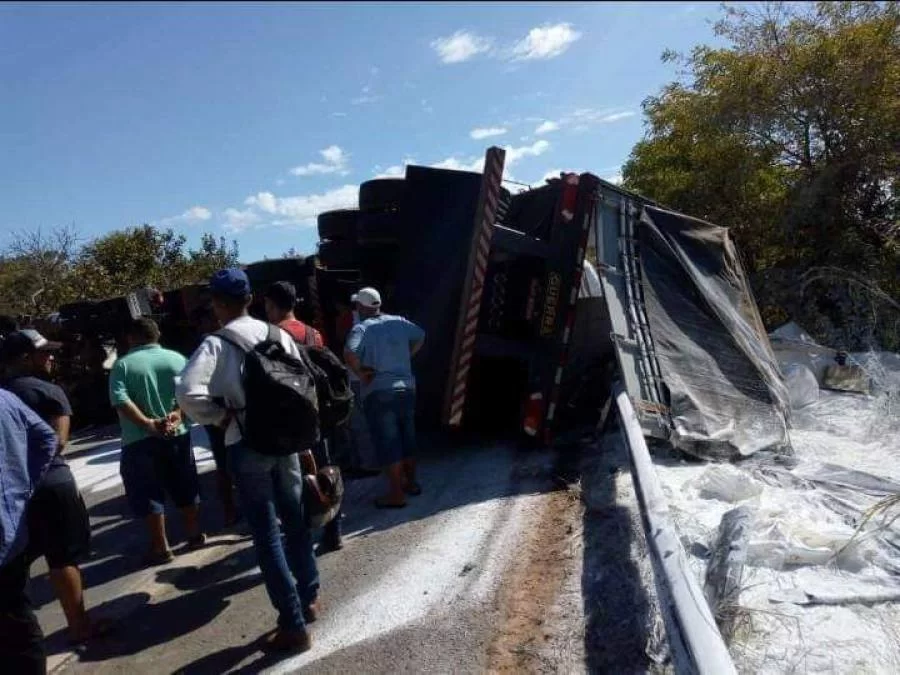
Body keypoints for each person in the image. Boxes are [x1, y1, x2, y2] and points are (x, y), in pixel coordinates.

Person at [177, 269, 320, 653]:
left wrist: (220, 417)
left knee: (266, 532)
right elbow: (304, 384)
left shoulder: (217, 343)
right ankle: (309, 598)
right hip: (286, 443)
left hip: (247, 441)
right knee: (295, 520)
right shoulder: (277, 335)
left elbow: (187, 392)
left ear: (219, 304)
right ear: (250, 299)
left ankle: (292, 624)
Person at [0, 330, 110, 645]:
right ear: (23, 358)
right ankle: (79, 626)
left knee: (17, 559)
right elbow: (57, 441)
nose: (51, 357)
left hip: (14, 494)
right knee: (63, 557)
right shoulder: (47, 390)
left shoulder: (4, 392)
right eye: (44, 352)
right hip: (50, 484)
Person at [109, 318, 205, 566]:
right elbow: (189, 391)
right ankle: (194, 533)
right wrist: (177, 414)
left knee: (148, 491)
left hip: (139, 440)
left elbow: (120, 400)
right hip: (177, 434)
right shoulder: (177, 359)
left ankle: (161, 546)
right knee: (185, 482)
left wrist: (148, 424)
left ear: (130, 337)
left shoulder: (123, 366)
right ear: (158, 334)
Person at [263, 281, 343, 554]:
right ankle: (333, 531)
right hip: (318, 414)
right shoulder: (313, 333)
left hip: (290, 420)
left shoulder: (272, 336)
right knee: (324, 472)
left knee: (293, 481)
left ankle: (302, 538)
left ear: (272, 305)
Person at [344, 287, 426, 508]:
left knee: (388, 442)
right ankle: (411, 483)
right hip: (406, 389)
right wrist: (407, 356)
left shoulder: (361, 329)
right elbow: (420, 335)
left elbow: (349, 353)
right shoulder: (399, 322)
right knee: (407, 437)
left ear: (361, 307)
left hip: (380, 391)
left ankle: (396, 495)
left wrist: (361, 372)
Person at [0, 388, 60, 675]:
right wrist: (23, 487)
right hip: (10, 531)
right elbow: (48, 438)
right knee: (18, 618)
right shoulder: (5, 398)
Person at [190, 305, 238, 528]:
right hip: (229, 411)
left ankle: (231, 511)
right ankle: (232, 510)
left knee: (224, 464)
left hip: (219, 415)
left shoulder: (203, 346)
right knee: (231, 463)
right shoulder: (213, 344)